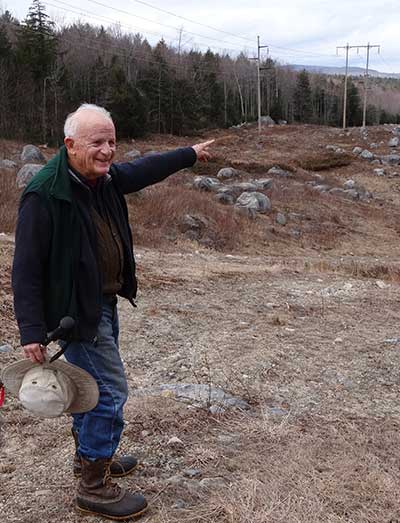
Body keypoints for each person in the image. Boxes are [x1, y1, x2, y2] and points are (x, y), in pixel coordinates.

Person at [12, 103, 213, 520]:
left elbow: (144, 169)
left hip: (101, 303)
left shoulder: (101, 179)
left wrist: (189, 153)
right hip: (74, 314)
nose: (107, 151)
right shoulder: (45, 195)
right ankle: (94, 485)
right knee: (106, 391)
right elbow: (26, 269)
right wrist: (31, 330)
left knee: (93, 385)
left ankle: (89, 456)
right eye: (97, 142)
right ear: (69, 145)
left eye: (111, 142)